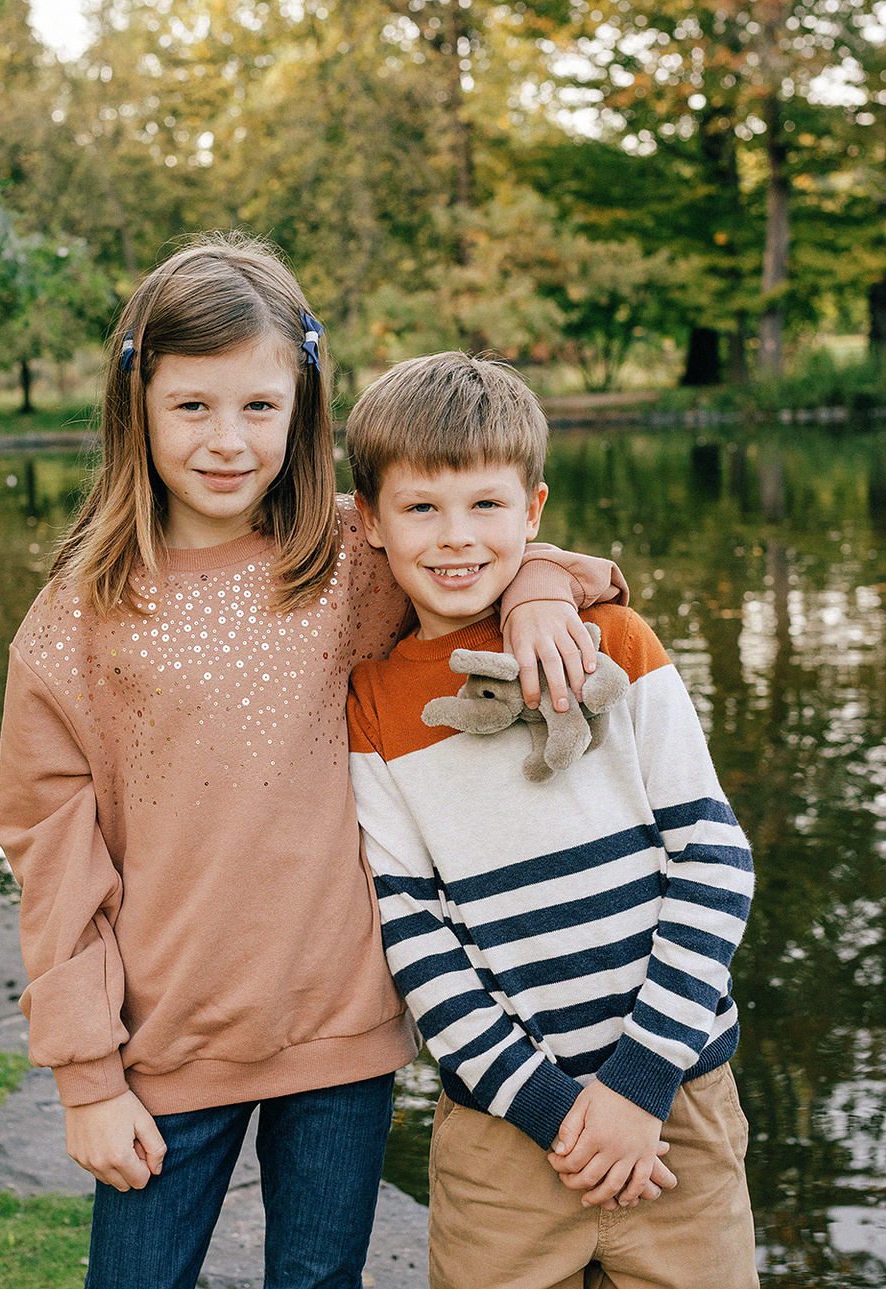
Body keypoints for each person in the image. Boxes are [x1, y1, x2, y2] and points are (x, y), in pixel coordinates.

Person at [0, 237, 627, 1289]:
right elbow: (51, 857)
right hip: (162, 1045)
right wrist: (87, 1073)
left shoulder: (351, 558)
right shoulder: (77, 620)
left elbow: (487, 550)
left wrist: (539, 590)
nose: (228, 439)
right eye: (192, 406)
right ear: (136, 405)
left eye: (260, 405)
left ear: (303, 405)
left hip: (343, 1032)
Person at [345, 352, 758, 1289]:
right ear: (369, 519)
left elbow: (713, 859)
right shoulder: (373, 705)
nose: (456, 536)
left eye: (486, 505)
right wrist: (559, 1112)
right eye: (421, 508)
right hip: (502, 1140)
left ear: (533, 511)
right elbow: (414, 935)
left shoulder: (615, 641)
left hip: (677, 1104)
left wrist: (637, 1084)